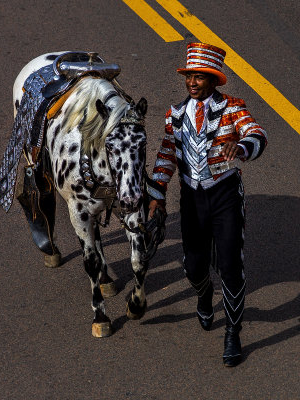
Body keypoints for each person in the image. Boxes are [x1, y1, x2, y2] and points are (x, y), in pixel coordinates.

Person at [147, 43, 267, 367]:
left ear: (213, 80)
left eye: (199, 77)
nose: (192, 83)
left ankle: (233, 331)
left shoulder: (232, 108)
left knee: (230, 265)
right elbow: (166, 155)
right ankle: (203, 294)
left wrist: (240, 147)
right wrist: (157, 196)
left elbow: (257, 134)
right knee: (193, 266)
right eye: (189, 77)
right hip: (192, 199)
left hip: (225, 196)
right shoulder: (175, 114)